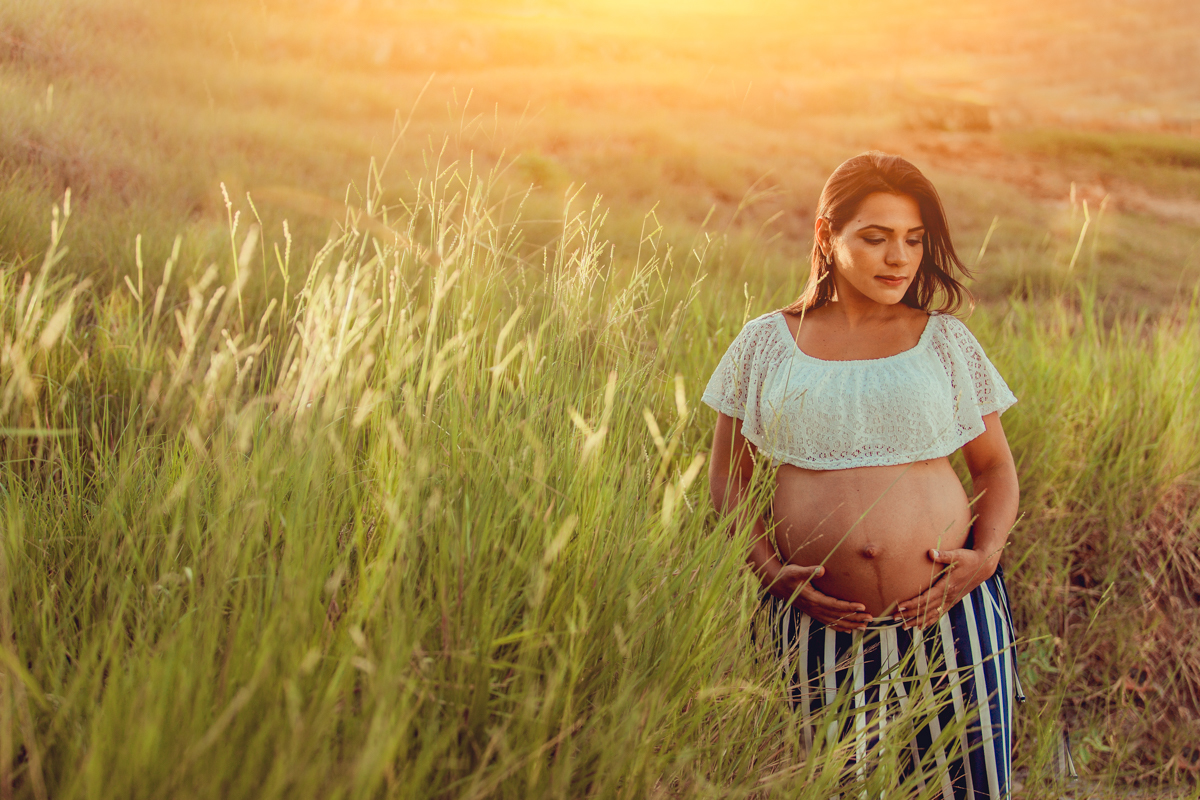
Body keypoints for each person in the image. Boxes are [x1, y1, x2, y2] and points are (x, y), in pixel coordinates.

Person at [704, 152, 1023, 799]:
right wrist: (769, 573)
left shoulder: (944, 341)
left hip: (951, 615)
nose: (898, 258)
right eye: (875, 239)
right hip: (820, 624)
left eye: (912, 240)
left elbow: (994, 466)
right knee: (837, 788)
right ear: (826, 235)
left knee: (973, 787)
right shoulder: (767, 343)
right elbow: (727, 480)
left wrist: (984, 558)